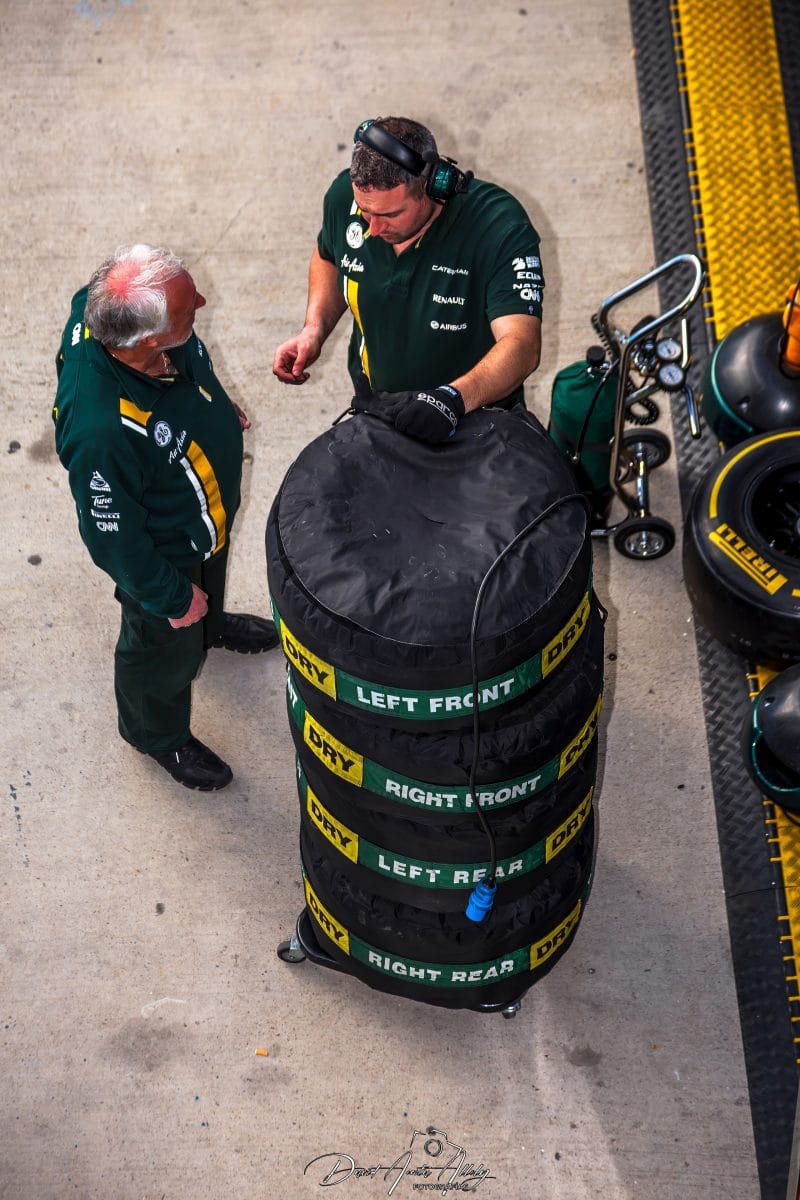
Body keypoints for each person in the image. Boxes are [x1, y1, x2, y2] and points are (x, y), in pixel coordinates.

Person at [53, 244, 278, 792]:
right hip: (164, 548)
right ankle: (156, 733)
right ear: (148, 340)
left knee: (210, 582)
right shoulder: (101, 430)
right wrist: (172, 598)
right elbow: (113, 538)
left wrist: (216, 408)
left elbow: (192, 359)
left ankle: (210, 625)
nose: (201, 300)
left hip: (204, 515)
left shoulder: (103, 305)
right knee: (160, 644)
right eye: (189, 310)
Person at [272, 116, 544, 442]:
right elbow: (328, 255)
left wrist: (451, 401)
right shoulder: (343, 198)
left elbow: (522, 345)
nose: (373, 228)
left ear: (434, 187)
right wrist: (314, 330)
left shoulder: (498, 226)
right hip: (379, 408)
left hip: (475, 416)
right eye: (365, 212)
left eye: (390, 215)